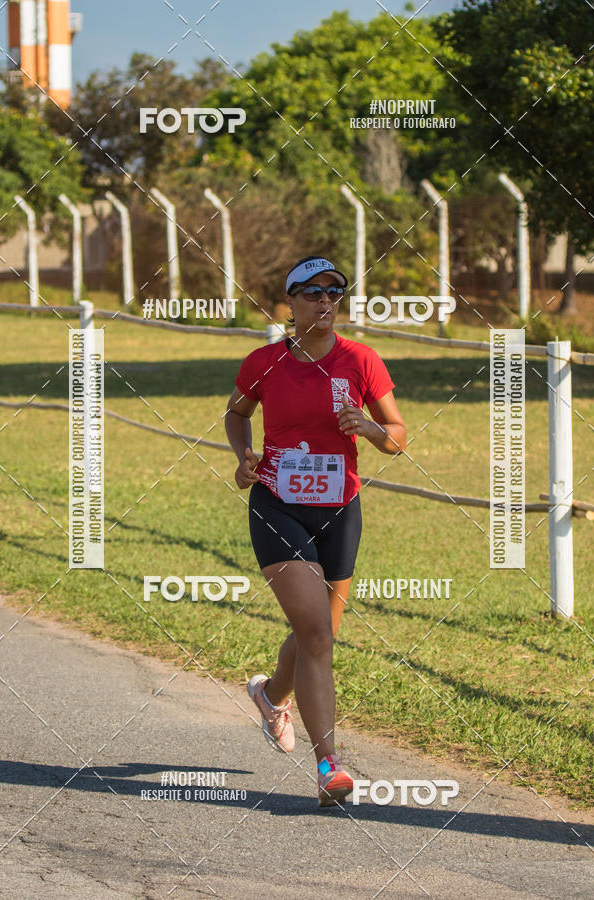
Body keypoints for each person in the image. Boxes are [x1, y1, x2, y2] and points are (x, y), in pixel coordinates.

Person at [225, 255, 406, 807]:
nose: (325, 303)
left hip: (341, 508)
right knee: (318, 636)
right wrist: (243, 456)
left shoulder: (361, 360)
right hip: (278, 504)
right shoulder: (263, 362)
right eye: (312, 294)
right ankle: (330, 765)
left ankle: (269, 694)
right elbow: (236, 413)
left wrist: (373, 430)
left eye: (335, 294)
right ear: (290, 303)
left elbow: (398, 436)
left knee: (316, 634)